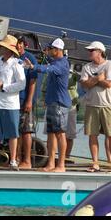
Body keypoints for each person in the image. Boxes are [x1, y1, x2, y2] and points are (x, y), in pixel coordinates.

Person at [24, 38, 71, 172]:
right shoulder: (56, 61)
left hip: (60, 103)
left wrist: (33, 67)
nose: (49, 50)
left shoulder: (62, 63)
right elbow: (49, 63)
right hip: (52, 102)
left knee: (60, 134)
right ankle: (51, 163)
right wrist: (43, 55)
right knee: (51, 134)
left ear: (57, 50)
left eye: (51, 49)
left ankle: (61, 165)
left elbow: (48, 69)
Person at [0, 35, 26, 171]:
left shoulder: (17, 64)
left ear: (8, 49)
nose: (0, 48)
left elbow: (21, 84)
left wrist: (3, 86)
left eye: (2, 46)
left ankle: (13, 160)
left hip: (10, 104)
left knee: (13, 133)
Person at [79, 41, 111, 172]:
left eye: (92, 51)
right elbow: (85, 85)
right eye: (89, 51)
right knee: (92, 135)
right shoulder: (86, 67)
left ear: (100, 52)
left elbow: (109, 84)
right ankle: (95, 163)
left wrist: (94, 80)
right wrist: (99, 79)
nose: (89, 53)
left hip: (107, 105)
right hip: (91, 105)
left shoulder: (110, 64)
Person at [16, 36, 38, 169]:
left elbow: (33, 81)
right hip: (13, 100)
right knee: (15, 131)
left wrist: (29, 100)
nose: (18, 46)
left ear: (24, 45)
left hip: (25, 100)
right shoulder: (11, 57)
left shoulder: (29, 58)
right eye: (16, 43)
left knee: (26, 131)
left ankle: (27, 160)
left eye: (20, 43)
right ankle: (16, 158)